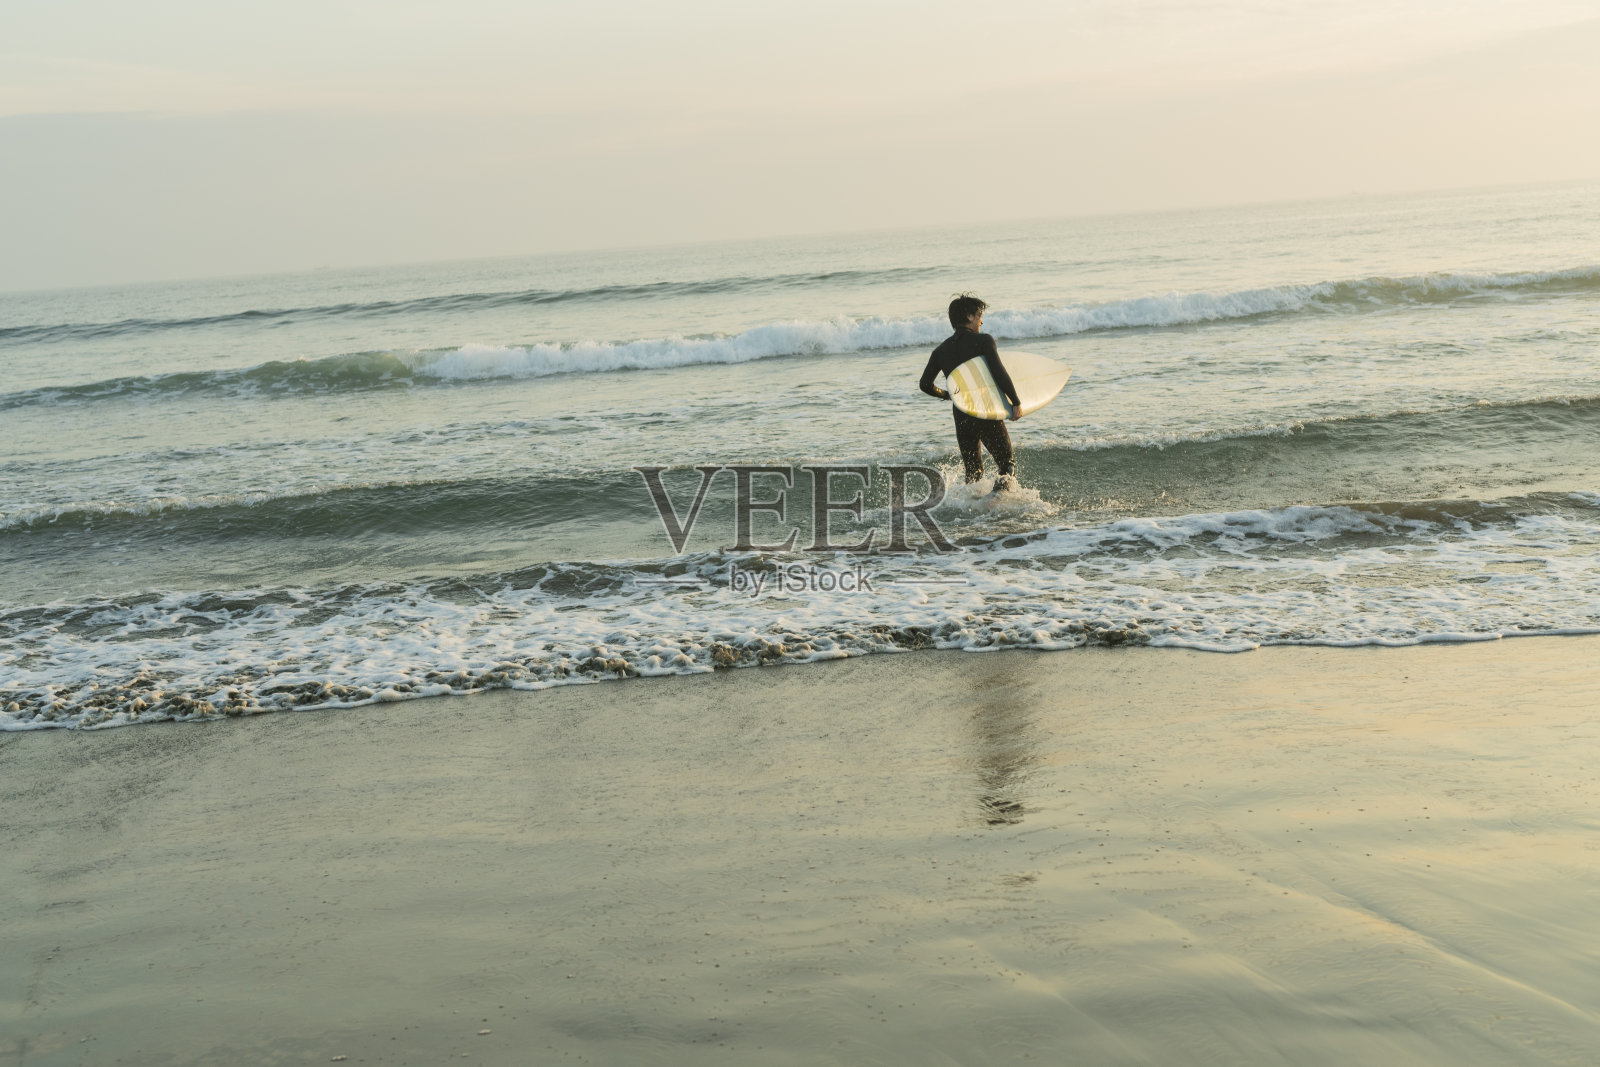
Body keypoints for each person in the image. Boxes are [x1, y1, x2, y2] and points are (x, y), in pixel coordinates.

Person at [918, 295, 1021, 488]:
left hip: (961, 413)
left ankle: (972, 507)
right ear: (969, 316)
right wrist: (1015, 401)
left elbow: (925, 384)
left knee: (973, 471)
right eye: (979, 315)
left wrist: (946, 395)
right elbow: (999, 372)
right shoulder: (983, 341)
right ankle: (996, 498)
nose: (981, 320)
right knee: (1007, 464)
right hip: (983, 408)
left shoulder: (940, 351)